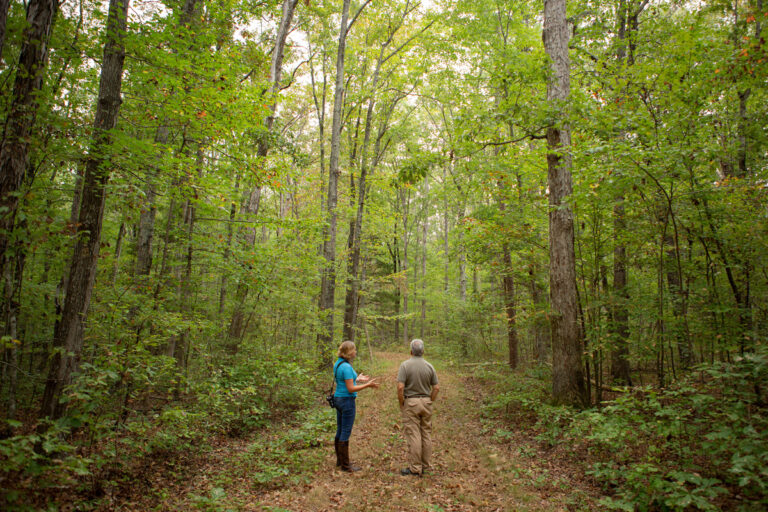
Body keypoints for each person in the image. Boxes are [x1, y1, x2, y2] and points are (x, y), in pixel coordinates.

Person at [333, 340, 379, 472]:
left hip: (338, 399)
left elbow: (344, 381)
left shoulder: (338, 364)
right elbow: (351, 388)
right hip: (346, 401)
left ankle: (340, 461)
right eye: (354, 349)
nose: (355, 352)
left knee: (340, 429)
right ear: (348, 352)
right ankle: (346, 465)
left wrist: (357, 378)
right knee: (345, 431)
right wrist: (368, 385)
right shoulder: (346, 367)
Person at [396, 338, 439, 477]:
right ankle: (425, 466)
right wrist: (430, 400)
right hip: (426, 402)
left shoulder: (405, 366)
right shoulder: (429, 366)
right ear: (423, 351)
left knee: (414, 434)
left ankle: (415, 468)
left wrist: (401, 402)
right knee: (426, 433)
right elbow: (436, 388)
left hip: (411, 402)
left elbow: (400, 387)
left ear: (411, 351)